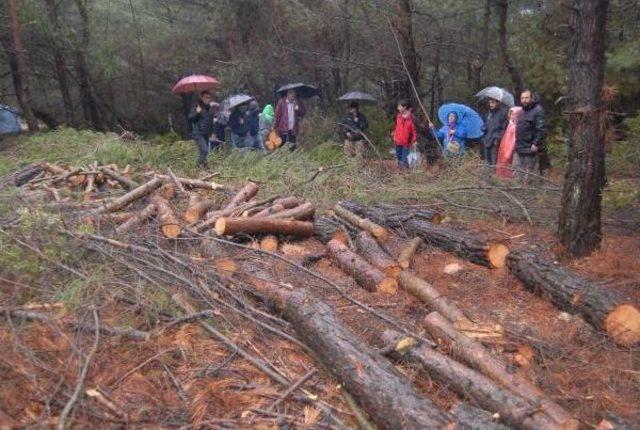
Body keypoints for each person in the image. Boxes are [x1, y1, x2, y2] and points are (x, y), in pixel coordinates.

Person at [514, 90, 546, 183]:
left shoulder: (538, 111)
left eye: (526, 98)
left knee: (529, 174)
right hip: (519, 146)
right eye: (522, 98)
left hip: (530, 147)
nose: (524, 100)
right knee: (517, 173)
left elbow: (541, 129)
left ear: (531, 98)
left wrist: (536, 143)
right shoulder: (521, 111)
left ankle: (530, 194)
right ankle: (518, 192)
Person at [188, 90, 215, 168]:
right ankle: (197, 167)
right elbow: (190, 118)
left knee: (204, 152)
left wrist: (212, 133)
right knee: (204, 150)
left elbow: (211, 122)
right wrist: (197, 112)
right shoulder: (196, 106)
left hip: (206, 133)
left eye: (209, 98)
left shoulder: (209, 108)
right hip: (198, 133)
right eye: (206, 97)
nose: (208, 99)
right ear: (202, 97)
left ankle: (205, 167)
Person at [496, 106, 522, 179]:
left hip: (512, 150)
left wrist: (508, 152)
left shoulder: (516, 126)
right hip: (505, 149)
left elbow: (513, 141)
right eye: (511, 114)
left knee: (512, 166)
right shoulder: (510, 124)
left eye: (514, 114)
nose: (512, 116)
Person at [482, 98, 508, 167]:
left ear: (498, 103)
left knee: (494, 162)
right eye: (490, 103)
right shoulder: (489, 113)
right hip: (487, 139)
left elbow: (504, 128)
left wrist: (498, 137)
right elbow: (486, 124)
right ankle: (487, 177)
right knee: (487, 162)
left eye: (492, 103)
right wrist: (483, 128)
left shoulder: (503, 113)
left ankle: (494, 176)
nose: (491, 104)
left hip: (495, 141)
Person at [392, 99, 417, 169]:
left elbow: (414, 130)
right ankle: (400, 174)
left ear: (404, 107)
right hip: (397, 141)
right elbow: (397, 126)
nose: (398, 108)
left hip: (406, 143)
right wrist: (394, 133)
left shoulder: (411, 118)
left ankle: (406, 175)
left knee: (405, 160)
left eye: (399, 107)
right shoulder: (398, 116)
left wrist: (414, 141)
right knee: (399, 159)